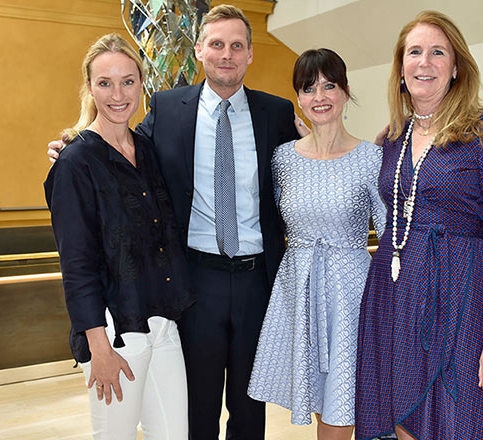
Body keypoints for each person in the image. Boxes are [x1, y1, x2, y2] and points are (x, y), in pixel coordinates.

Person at [48, 5, 301, 439]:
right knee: (193, 410)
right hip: (194, 281)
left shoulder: (276, 114)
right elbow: (113, 148)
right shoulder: (168, 109)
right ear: (200, 50)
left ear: (250, 54)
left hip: (258, 279)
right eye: (217, 44)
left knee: (250, 408)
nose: (226, 54)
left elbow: (309, 163)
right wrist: (72, 143)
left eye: (236, 45)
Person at [355, 10, 483, 440]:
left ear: (455, 68)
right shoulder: (393, 136)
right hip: (393, 296)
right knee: (401, 422)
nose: (424, 62)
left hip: (459, 298)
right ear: (401, 68)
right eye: (414, 52)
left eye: (437, 52)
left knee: (462, 417)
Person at [44, 33, 194, 439]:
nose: (117, 94)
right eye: (105, 82)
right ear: (89, 87)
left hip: (163, 321)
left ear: (142, 85)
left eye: (128, 81)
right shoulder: (75, 162)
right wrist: (99, 348)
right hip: (115, 333)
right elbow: (76, 265)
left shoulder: (145, 148)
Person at [246, 49, 387, 440]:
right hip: (299, 290)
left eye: (329, 86)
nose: (320, 97)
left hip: (352, 295)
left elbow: (391, 233)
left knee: (342, 403)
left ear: (344, 92)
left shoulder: (371, 158)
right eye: (309, 89)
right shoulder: (282, 160)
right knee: (321, 400)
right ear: (299, 98)